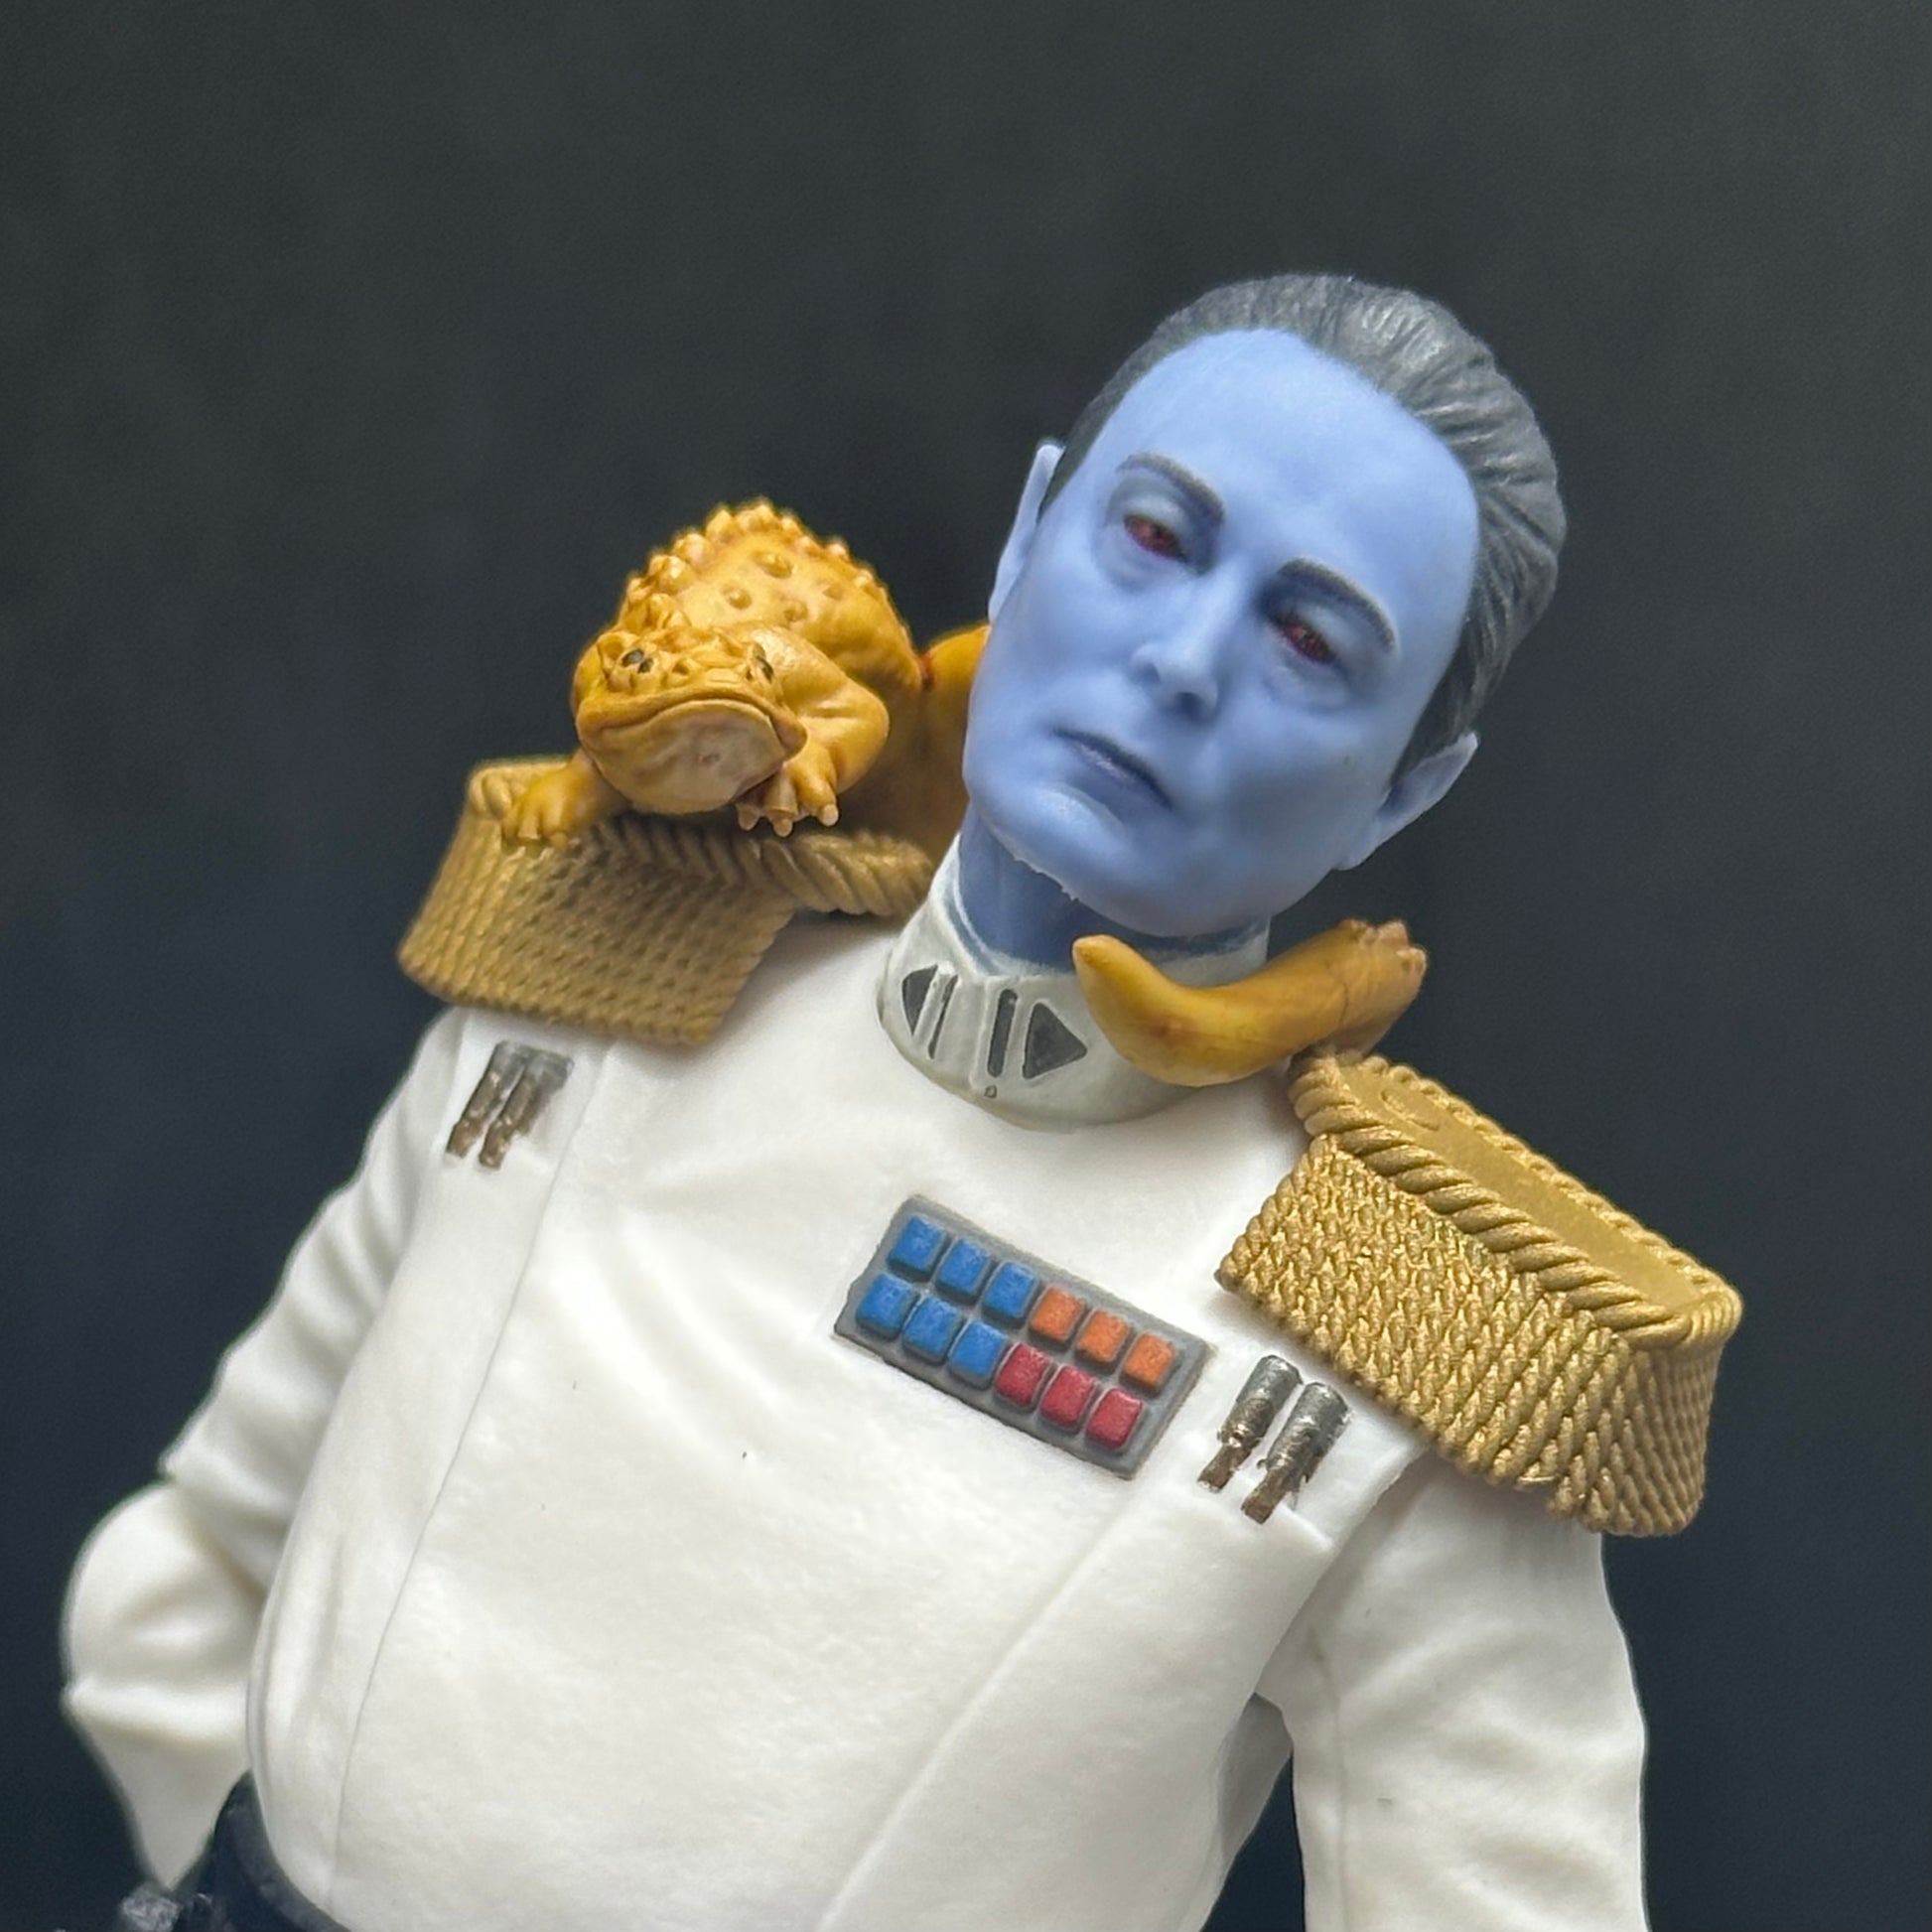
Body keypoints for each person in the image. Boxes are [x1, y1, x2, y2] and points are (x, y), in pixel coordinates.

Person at [66, 275, 1705, 1932]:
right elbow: (191, 1571)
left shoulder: (1386, 1352)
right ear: (1029, 533)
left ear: (1403, 788)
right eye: (1152, 537)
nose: (1181, 660)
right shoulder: (602, 985)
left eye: (1308, 639)